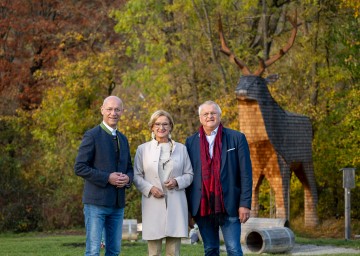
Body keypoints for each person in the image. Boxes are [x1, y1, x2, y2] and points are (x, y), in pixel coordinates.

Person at [185, 100, 252, 256]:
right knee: (210, 249)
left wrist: (245, 204)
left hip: (230, 204)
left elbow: (246, 174)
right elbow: (189, 177)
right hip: (202, 206)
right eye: (206, 114)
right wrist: (188, 210)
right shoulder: (190, 142)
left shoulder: (237, 138)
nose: (210, 116)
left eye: (213, 113)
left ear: (220, 116)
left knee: (234, 249)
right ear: (200, 118)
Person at [74, 95, 134, 256]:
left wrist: (128, 179)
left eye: (117, 109)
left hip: (117, 204)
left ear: (122, 112)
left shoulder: (123, 138)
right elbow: (79, 167)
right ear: (102, 110)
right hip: (96, 204)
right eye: (109, 109)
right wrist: (107, 177)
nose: (113, 113)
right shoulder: (92, 135)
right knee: (93, 251)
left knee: (114, 251)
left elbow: (129, 167)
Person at [133, 110, 193, 256]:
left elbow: (189, 175)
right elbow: (136, 176)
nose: (161, 127)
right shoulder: (143, 149)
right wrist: (150, 188)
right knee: (154, 252)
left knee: (173, 252)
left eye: (165, 124)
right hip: (153, 201)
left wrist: (177, 181)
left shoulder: (181, 149)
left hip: (175, 202)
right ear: (152, 127)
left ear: (171, 126)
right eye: (157, 124)